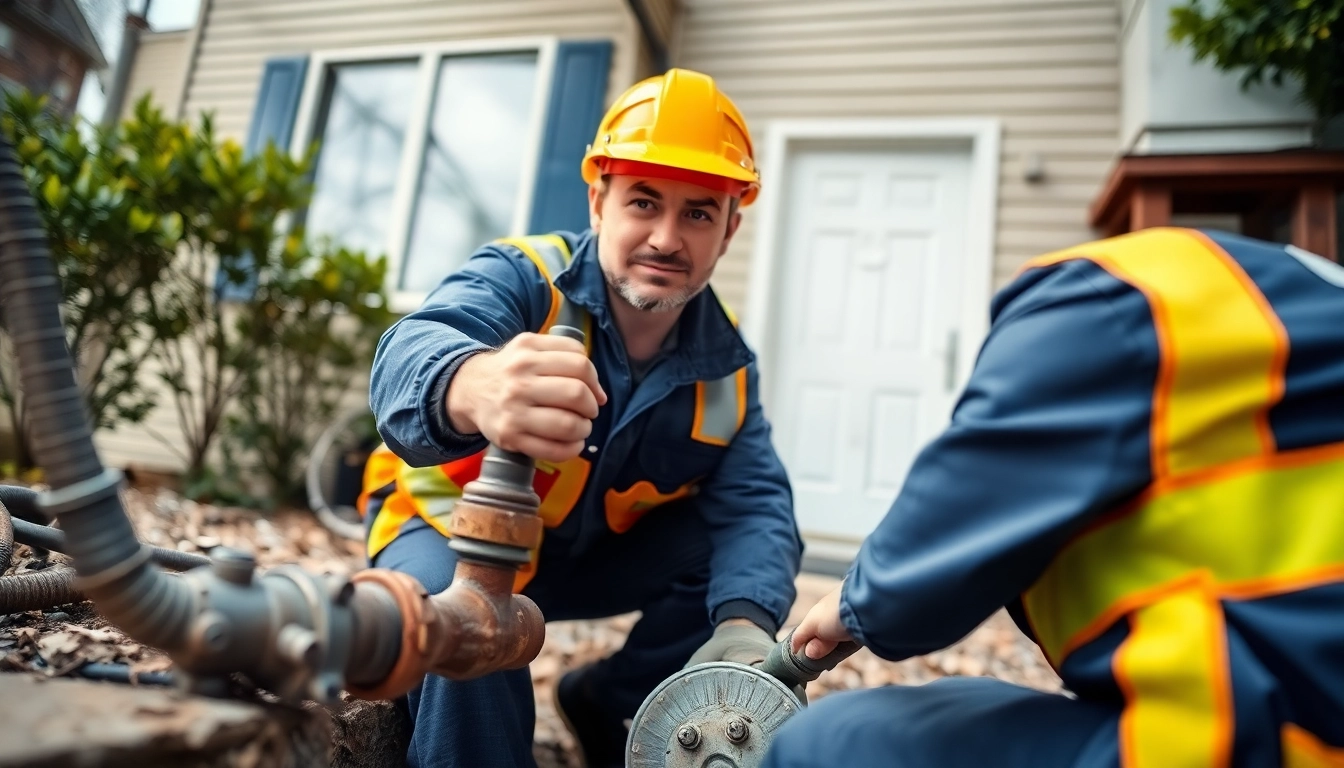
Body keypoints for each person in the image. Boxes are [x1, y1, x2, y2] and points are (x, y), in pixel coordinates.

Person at [360, 68, 802, 768]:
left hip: (582, 560)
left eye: (698, 213)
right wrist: (474, 383)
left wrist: (745, 626)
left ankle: (608, 701)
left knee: (729, 562)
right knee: (467, 634)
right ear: (599, 202)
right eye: (644, 201)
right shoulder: (524, 276)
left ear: (729, 231)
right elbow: (411, 351)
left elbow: (757, 504)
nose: (666, 237)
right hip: (444, 531)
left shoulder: (727, 365)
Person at [771, 227, 1344, 767]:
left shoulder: (1089, 307)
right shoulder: (1286, 304)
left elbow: (973, 497)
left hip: (1274, 737)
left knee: (829, 743)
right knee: (968, 698)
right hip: (1299, 684)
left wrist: (856, 601)